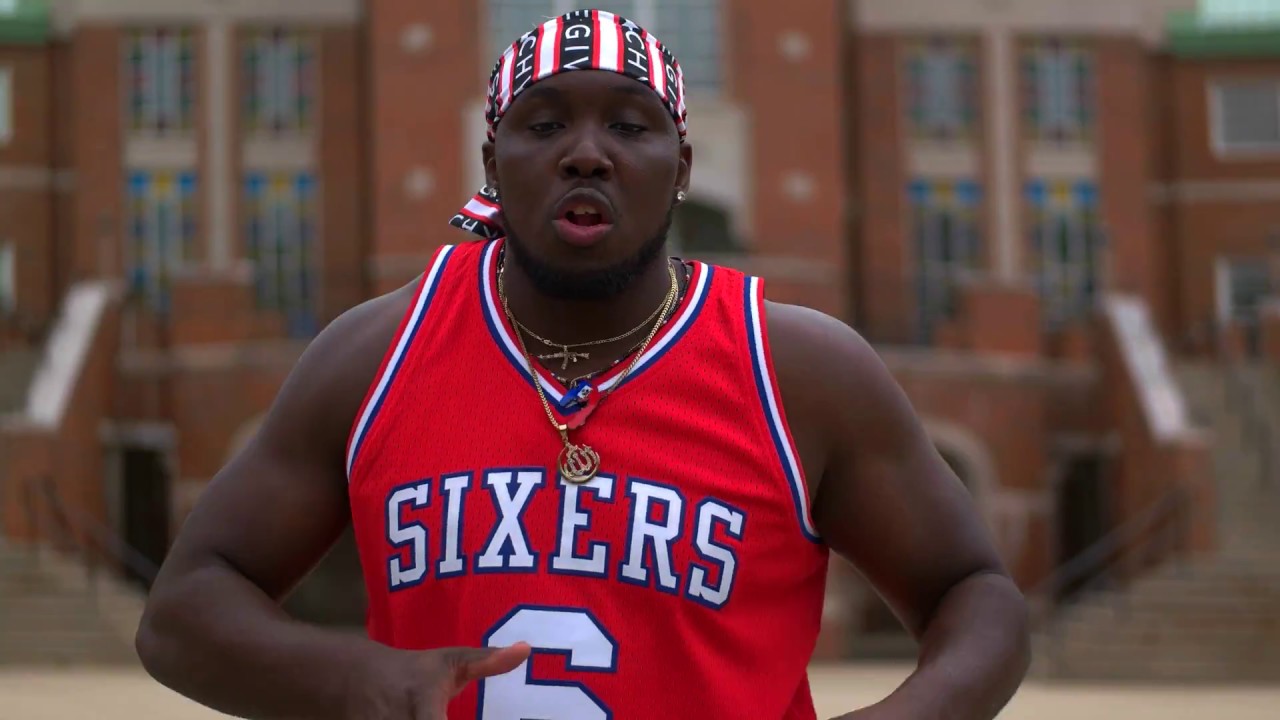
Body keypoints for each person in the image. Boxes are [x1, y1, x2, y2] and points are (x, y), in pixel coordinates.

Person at [136, 9, 1029, 720]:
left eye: (631, 125)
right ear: (492, 160)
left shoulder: (798, 369)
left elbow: (975, 593)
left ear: (682, 166)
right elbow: (185, 610)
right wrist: (350, 679)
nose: (587, 152)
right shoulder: (377, 352)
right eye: (545, 123)